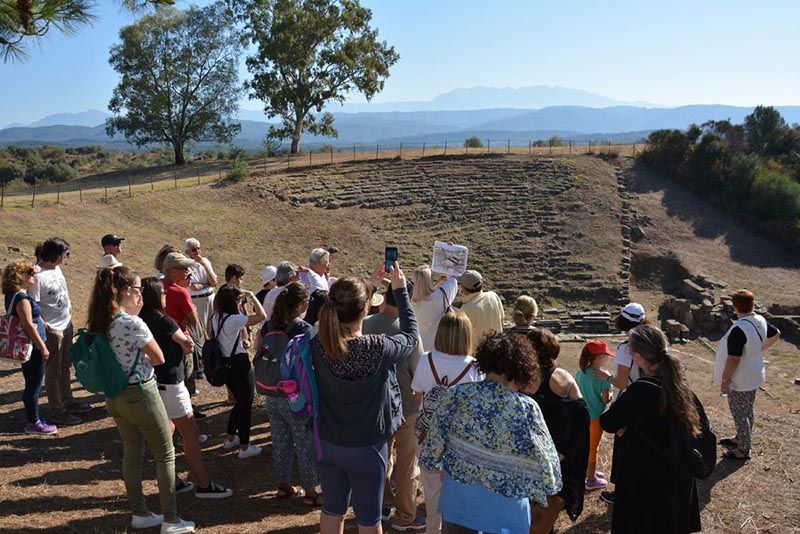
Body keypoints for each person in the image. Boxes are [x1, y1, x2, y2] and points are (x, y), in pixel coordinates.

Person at [87, 266, 195, 533]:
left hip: (115, 396)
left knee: (132, 452)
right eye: (138, 291)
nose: (142, 298)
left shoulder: (101, 320)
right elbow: (158, 358)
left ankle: (141, 512)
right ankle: (171, 519)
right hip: (141, 393)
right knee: (165, 454)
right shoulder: (131, 323)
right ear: (125, 291)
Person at [419, 332, 562, 534]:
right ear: (522, 368)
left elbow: (430, 450)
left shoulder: (457, 395)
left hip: (459, 501)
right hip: (506, 508)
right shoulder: (526, 408)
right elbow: (551, 472)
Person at [313, 264, 419, 534]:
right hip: (366, 446)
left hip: (327, 440)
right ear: (365, 309)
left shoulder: (318, 342)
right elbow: (410, 337)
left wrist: (369, 286)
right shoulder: (376, 347)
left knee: (332, 510)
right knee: (369, 519)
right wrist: (400, 292)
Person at [600, 324, 702, 534]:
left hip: (646, 475)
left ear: (637, 358)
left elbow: (608, 422)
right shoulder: (680, 386)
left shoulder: (641, 389)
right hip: (676, 476)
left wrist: (627, 425)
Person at [139, 277, 233, 499]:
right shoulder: (166, 322)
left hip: (151, 384)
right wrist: (187, 344)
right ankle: (203, 484)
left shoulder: (139, 321)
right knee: (190, 433)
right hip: (171, 383)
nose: (165, 297)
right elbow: (188, 346)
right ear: (155, 297)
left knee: (166, 433)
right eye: (162, 294)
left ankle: (175, 481)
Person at [410, 309, 484, 534]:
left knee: (432, 489)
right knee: (460, 490)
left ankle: (433, 528)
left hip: (427, 434)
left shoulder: (426, 359)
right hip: (460, 439)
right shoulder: (474, 366)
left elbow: (419, 396)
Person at [363, 280, 426, 532]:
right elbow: (418, 370)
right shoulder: (408, 330)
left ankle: (380, 504)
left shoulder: (367, 324)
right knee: (407, 462)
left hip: (374, 403)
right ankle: (405, 514)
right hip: (406, 403)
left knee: (381, 457)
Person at [260, 282, 320, 504]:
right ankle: (311, 491)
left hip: (272, 394)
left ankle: (283, 486)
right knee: (304, 443)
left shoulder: (268, 326)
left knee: (280, 440)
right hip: (296, 396)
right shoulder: (304, 329)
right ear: (302, 304)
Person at [525, 328, 586, 534]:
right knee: (548, 509)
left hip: (528, 455)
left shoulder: (522, 378)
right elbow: (581, 412)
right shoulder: (563, 377)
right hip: (558, 455)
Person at [590, 302, 648, 504]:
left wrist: (607, 377)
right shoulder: (652, 340)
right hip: (650, 398)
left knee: (626, 450)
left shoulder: (626, 348)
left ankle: (623, 493)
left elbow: (621, 382)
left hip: (630, 402)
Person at [714, 290, 780, 461]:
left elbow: (734, 358)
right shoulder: (760, 320)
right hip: (755, 375)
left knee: (740, 413)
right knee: (747, 410)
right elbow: (776, 334)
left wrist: (725, 380)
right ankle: (741, 438)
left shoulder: (739, 329)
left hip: (740, 380)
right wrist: (758, 349)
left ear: (735, 306)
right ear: (752, 304)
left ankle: (743, 450)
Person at [32, 238, 91, 426]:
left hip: (66, 324)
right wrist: (44, 325)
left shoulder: (56, 268)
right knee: (53, 371)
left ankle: (68, 401)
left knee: (66, 365)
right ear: (57, 255)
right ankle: (58, 411)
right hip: (53, 329)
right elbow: (32, 305)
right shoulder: (37, 277)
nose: (66, 258)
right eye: (65, 254)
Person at [2, 261, 55, 435]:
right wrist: (43, 347)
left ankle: (34, 418)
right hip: (32, 347)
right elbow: (28, 325)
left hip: (29, 346)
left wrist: (41, 322)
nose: (33, 276)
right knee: (34, 385)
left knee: (31, 382)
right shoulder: (22, 297)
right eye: (29, 273)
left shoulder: (14, 294)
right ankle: (34, 423)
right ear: (19, 276)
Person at [214, 284, 266, 459]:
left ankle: (230, 437)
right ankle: (244, 447)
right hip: (239, 364)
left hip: (225, 363)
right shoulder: (234, 320)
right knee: (246, 403)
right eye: (239, 299)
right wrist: (252, 296)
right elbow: (261, 316)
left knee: (240, 401)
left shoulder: (216, 317)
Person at [162, 253, 204, 418]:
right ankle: (186, 414)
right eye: (184, 268)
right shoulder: (180, 292)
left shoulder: (159, 286)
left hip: (162, 341)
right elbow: (194, 321)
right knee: (186, 377)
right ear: (173, 272)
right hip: (181, 341)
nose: (188, 271)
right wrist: (191, 309)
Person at [576, 340, 614, 491]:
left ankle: (588, 472)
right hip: (597, 417)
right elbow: (606, 399)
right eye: (606, 355)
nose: (608, 358)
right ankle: (590, 480)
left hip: (584, 415)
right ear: (598, 358)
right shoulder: (604, 377)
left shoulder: (581, 371)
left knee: (585, 445)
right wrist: (610, 390)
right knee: (593, 449)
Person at [411, 264, 457, 352]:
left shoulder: (410, 300)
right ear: (430, 280)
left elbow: (424, 292)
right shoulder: (442, 294)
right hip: (438, 344)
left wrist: (436, 284)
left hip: (418, 346)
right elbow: (453, 280)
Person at [457, 270, 504, 349]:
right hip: (497, 348)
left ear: (463, 289)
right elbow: (502, 318)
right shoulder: (493, 296)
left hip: (477, 354)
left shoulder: (465, 309)